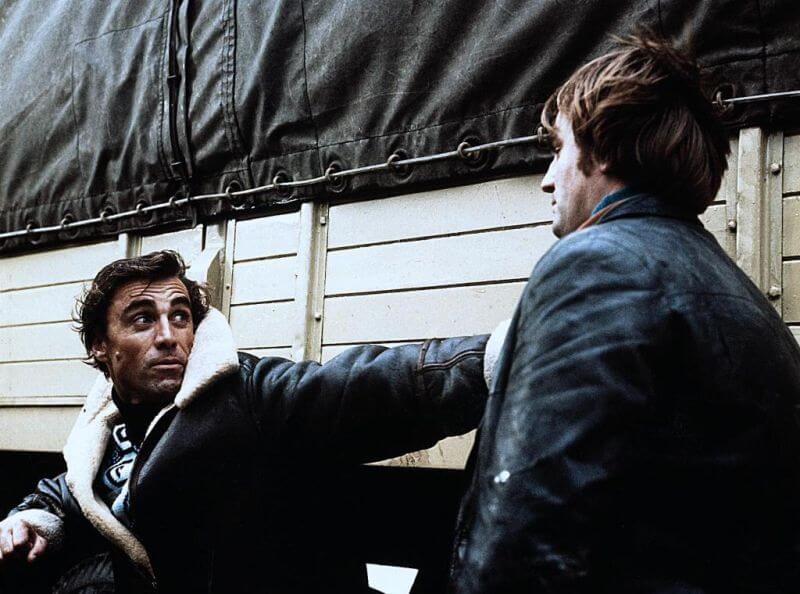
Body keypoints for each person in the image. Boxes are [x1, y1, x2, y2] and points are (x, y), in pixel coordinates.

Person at [450, 35, 800, 593]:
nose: (547, 178)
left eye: (559, 149)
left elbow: (529, 543)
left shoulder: (595, 264)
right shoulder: (748, 303)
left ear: (606, 149)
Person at [0, 250, 504, 594]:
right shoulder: (107, 431)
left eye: (180, 316)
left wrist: (491, 358)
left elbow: (361, 387)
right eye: (143, 319)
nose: (169, 336)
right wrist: (33, 519)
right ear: (100, 347)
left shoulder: (247, 393)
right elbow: (71, 488)